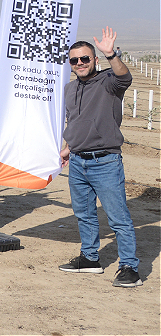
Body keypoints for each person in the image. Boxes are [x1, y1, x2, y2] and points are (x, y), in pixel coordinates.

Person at [58, 28, 141, 287]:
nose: (80, 63)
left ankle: (129, 267)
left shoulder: (108, 82)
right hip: (78, 162)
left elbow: (124, 78)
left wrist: (111, 54)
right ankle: (90, 259)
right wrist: (69, 148)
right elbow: (78, 122)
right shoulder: (70, 89)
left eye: (85, 58)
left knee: (118, 218)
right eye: (74, 60)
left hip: (105, 162)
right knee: (84, 214)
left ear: (94, 60)